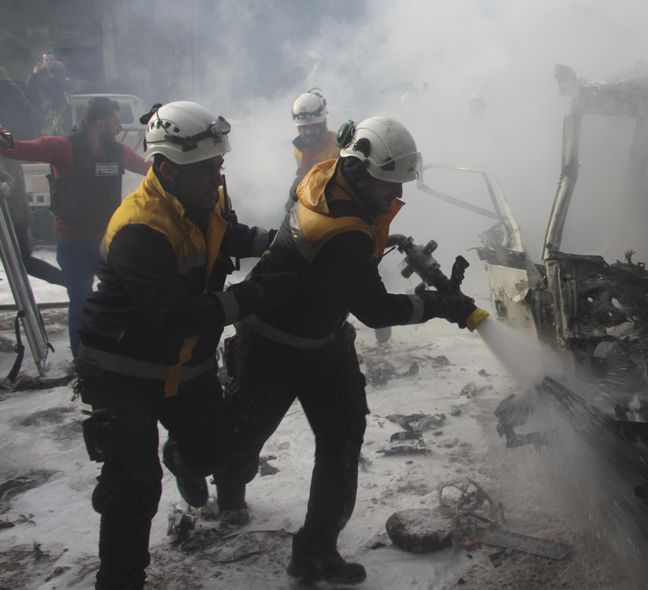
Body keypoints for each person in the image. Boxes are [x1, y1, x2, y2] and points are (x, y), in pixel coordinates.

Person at [213, 116, 481, 585]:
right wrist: (440, 305)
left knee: (341, 440)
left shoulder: (330, 177)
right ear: (364, 172)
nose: (395, 195)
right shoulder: (345, 231)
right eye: (390, 185)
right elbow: (375, 310)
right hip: (272, 344)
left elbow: (352, 275)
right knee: (240, 439)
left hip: (324, 341)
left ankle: (315, 551)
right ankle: (222, 481)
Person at [75, 100, 298, 590]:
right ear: (166, 168)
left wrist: (282, 242)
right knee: (132, 488)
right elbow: (173, 318)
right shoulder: (140, 226)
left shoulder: (205, 196)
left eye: (220, 166)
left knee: (213, 453)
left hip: (188, 363)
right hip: (125, 367)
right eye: (206, 170)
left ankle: (183, 457)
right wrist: (252, 296)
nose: (217, 179)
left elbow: (227, 234)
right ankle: (120, 580)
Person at [0, 97, 150, 357]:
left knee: (127, 295)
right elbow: (18, 148)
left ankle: (123, 350)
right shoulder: (63, 147)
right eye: (116, 122)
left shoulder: (118, 151)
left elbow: (149, 170)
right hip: (74, 244)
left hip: (108, 242)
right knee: (80, 303)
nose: (120, 128)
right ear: (101, 124)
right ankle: (83, 360)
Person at [0, 154, 65, 285]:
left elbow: (11, 183)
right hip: (14, 216)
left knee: (23, 261)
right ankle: (71, 283)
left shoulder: (7, 153)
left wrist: (6, 187)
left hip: (12, 218)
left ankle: (71, 283)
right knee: (24, 261)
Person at [286, 88, 339, 209]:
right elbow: (304, 174)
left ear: (322, 123)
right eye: (304, 128)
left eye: (313, 127)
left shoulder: (338, 146)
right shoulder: (300, 151)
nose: (309, 132)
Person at [26, 52, 71, 134]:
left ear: (55, 61)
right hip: (43, 107)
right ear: (43, 61)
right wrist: (33, 74)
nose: (48, 62)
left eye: (51, 60)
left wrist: (54, 78)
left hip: (59, 107)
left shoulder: (61, 71)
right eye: (46, 60)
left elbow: (67, 84)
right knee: (45, 132)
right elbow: (28, 86)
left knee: (61, 130)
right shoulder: (39, 72)